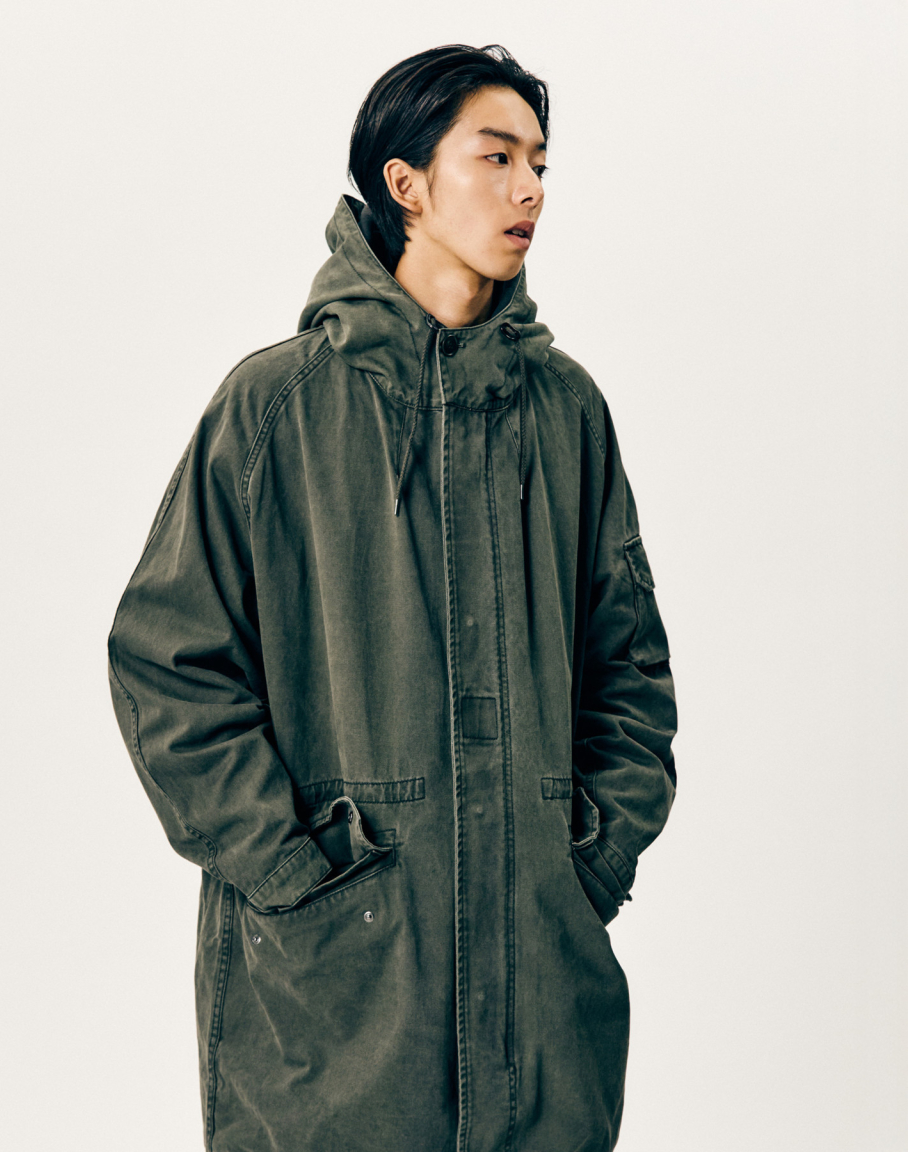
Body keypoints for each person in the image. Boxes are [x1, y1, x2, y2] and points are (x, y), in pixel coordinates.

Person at [107, 43, 678, 1152]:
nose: (530, 189)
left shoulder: (566, 413)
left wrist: (588, 861)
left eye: (541, 163)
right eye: (497, 157)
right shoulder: (275, 408)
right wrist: (291, 870)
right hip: (336, 1006)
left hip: (541, 998)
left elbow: (632, 670)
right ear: (406, 184)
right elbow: (168, 664)